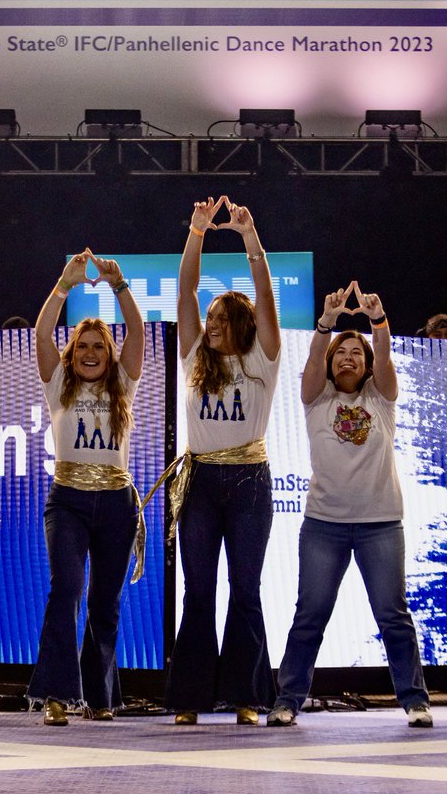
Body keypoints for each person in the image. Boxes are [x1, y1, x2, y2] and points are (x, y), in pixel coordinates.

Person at [268, 282, 431, 728]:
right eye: (341, 351)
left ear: (369, 363)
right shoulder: (315, 398)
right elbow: (311, 365)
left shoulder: (382, 398)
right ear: (328, 360)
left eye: (357, 353)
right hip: (324, 525)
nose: (348, 357)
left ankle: (415, 699)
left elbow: (385, 360)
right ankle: (288, 700)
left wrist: (377, 323)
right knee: (310, 615)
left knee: (393, 616)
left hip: (381, 524)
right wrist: (327, 323)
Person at [162, 196, 280, 726]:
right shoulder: (193, 359)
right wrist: (197, 231)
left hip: (250, 481)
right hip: (203, 481)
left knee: (246, 588)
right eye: (208, 316)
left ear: (242, 324)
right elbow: (185, 288)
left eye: (221, 317)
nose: (210, 323)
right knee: (199, 589)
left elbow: (265, 294)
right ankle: (189, 696)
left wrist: (250, 239)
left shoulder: (261, 359)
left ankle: (246, 696)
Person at [27, 249, 144, 726]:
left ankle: (98, 697)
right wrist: (64, 283)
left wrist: (120, 287)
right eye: (82, 347)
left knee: (105, 602)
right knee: (67, 588)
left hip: (117, 501)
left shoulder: (122, 385)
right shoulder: (58, 385)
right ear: (70, 355)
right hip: (68, 500)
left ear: (109, 354)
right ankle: (55, 694)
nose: (91, 353)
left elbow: (136, 333)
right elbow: (40, 332)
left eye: (99, 346)